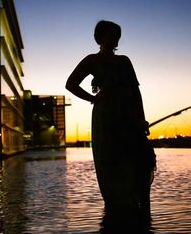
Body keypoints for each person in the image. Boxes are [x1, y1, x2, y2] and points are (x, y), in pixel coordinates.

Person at [66, 20, 156, 213]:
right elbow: (70, 84)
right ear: (100, 37)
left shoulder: (124, 60)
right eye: (110, 34)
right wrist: (93, 98)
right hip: (105, 117)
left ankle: (140, 214)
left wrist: (141, 118)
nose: (114, 38)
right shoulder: (92, 60)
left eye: (117, 34)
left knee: (135, 160)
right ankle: (116, 210)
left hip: (128, 116)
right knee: (110, 159)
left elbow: (135, 92)